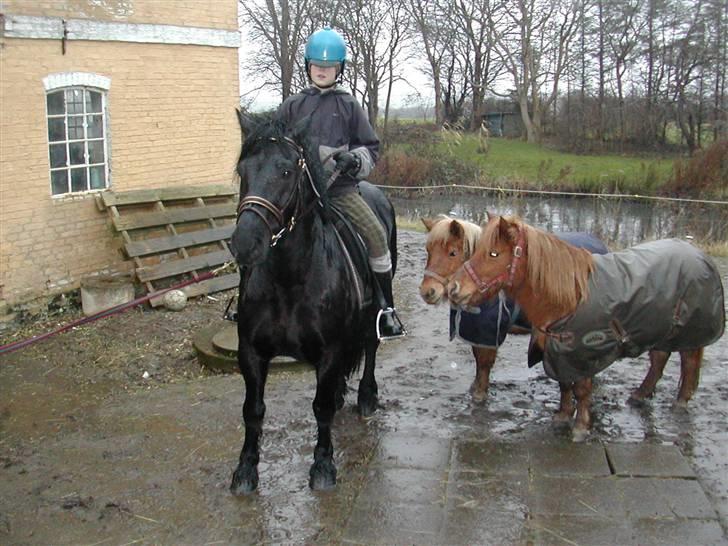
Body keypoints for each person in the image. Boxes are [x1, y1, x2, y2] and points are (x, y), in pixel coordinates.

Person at [277, 26, 405, 339]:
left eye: (329, 67)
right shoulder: (292, 105)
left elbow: (370, 146)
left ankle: (385, 309)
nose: (322, 71)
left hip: (339, 191)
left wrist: (355, 159)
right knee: (258, 228)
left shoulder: (349, 106)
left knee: (376, 234)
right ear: (308, 66)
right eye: (317, 66)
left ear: (340, 69)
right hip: (298, 194)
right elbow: (275, 146)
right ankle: (246, 301)